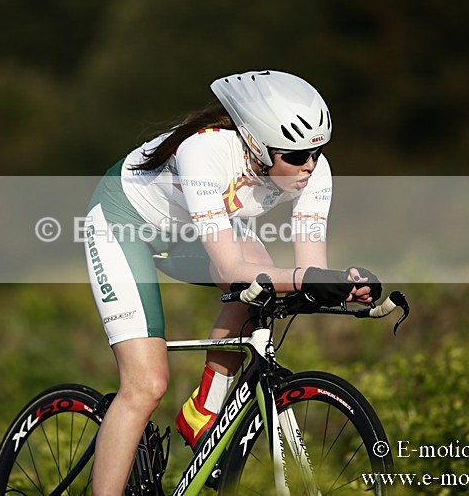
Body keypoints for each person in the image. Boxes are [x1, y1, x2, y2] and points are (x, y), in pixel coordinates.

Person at [83, 69, 381, 495]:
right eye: (295, 156)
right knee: (146, 384)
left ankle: (206, 408)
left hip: (190, 235)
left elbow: (309, 264)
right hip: (124, 226)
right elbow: (227, 268)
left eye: (316, 153)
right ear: (258, 146)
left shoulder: (313, 168)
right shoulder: (204, 151)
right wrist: (307, 279)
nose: (309, 166)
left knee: (260, 273)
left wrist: (341, 283)